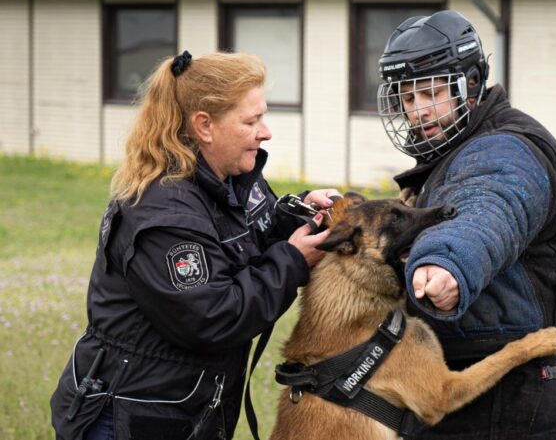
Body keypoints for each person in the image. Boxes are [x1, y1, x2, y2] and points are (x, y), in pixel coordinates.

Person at [50, 51, 339, 440]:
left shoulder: (229, 180)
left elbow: (245, 237)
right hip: (131, 417)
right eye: (251, 121)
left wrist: (297, 213)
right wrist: (292, 260)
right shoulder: (165, 213)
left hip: (179, 410)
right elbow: (214, 317)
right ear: (204, 126)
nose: (265, 131)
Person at [377, 10, 556, 439]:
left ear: (470, 85)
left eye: (431, 93)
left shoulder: (506, 148)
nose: (419, 111)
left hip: (513, 400)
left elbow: (490, 209)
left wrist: (448, 265)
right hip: (462, 385)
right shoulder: (450, 153)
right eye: (408, 99)